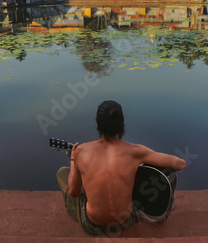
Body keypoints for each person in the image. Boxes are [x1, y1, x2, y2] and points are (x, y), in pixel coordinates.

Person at [57, 100, 187, 236]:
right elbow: (180, 164)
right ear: (122, 124)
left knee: (63, 173)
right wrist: (143, 171)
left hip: (92, 226)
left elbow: (73, 192)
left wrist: (73, 159)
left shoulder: (81, 151)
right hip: (125, 222)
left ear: (97, 124)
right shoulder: (135, 152)